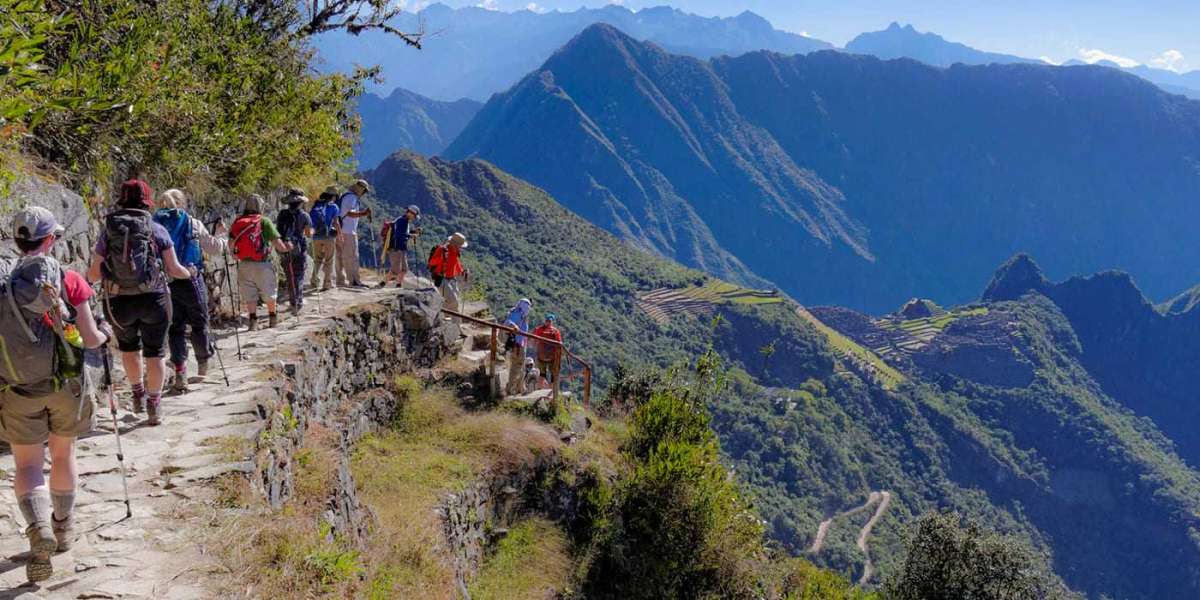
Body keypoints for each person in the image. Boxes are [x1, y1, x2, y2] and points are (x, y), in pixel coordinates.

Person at [2, 207, 111, 583]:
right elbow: (92, 339)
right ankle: (62, 527)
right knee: (63, 453)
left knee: (27, 466)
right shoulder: (68, 280)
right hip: (67, 384)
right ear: (51, 240)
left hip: (17, 387)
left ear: (16, 241)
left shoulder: (3, 284)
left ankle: (37, 530)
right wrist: (105, 334)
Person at [87, 179, 192, 426]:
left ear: (121, 200)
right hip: (154, 299)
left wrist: (87, 283)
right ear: (147, 201)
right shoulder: (156, 230)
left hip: (118, 302)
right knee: (156, 353)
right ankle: (154, 403)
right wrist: (190, 274)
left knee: (129, 349)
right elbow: (174, 268)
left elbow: (94, 273)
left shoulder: (108, 232)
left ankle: (137, 393)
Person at [154, 188, 227, 394]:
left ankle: (180, 372)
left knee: (175, 327)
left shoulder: (154, 224)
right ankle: (203, 365)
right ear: (182, 203)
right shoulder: (193, 223)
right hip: (190, 278)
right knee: (199, 321)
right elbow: (214, 248)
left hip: (165, 281)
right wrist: (222, 235)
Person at [229, 194, 293, 330]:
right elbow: (278, 244)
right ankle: (272, 319)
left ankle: (253, 322)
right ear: (261, 206)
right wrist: (287, 248)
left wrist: (235, 255)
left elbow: (231, 244)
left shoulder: (237, 222)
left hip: (244, 264)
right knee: (269, 291)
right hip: (263, 263)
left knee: (249, 294)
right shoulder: (264, 221)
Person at [276, 189, 313, 315]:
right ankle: (298, 302)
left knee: (289, 275)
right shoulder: (304, 215)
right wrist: (311, 232)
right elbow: (308, 233)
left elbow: (278, 231)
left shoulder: (282, 214)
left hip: (284, 247)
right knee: (299, 275)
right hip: (299, 247)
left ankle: (293, 301)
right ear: (301, 202)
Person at [335, 179, 372, 288]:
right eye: (364, 191)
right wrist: (363, 213)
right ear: (361, 189)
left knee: (339, 257)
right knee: (352, 257)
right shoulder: (352, 197)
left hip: (340, 230)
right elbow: (350, 213)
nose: (364, 193)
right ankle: (354, 281)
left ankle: (340, 280)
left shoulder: (344, 196)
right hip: (348, 231)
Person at [428, 232, 469, 319]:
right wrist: (441, 257)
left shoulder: (455, 251)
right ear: (455, 244)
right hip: (441, 278)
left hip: (451, 279)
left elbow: (456, 263)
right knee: (453, 301)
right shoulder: (442, 250)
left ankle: (446, 318)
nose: (461, 248)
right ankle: (448, 320)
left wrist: (462, 271)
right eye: (460, 246)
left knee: (454, 301)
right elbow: (432, 262)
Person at [309, 186, 341, 291]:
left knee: (317, 259)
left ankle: (314, 280)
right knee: (329, 260)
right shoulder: (334, 207)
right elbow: (336, 223)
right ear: (333, 196)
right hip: (329, 237)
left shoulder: (317, 205)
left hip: (316, 237)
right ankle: (327, 284)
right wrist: (340, 235)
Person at [380, 205, 420, 288]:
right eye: (414, 216)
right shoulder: (403, 221)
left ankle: (398, 285)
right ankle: (382, 284)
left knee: (404, 269)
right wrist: (411, 236)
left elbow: (402, 232)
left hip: (401, 248)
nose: (414, 218)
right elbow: (399, 234)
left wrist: (413, 232)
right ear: (410, 213)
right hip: (396, 248)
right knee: (395, 270)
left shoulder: (404, 220)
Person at [503, 298, 532, 396]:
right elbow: (507, 322)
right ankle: (510, 388)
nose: (528, 308)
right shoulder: (518, 313)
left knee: (521, 366)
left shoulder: (521, 314)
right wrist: (514, 325)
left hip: (521, 344)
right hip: (517, 345)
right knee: (516, 367)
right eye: (527, 305)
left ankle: (520, 387)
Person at [532, 313, 563, 391]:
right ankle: (551, 392)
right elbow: (559, 344)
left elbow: (534, 341)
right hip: (552, 357)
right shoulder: (556, 331)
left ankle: (539, 389)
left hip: (541, 356)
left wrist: (536, 349)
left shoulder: (539, 329)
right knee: (553, 375)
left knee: (542, 374)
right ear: (552, 322)